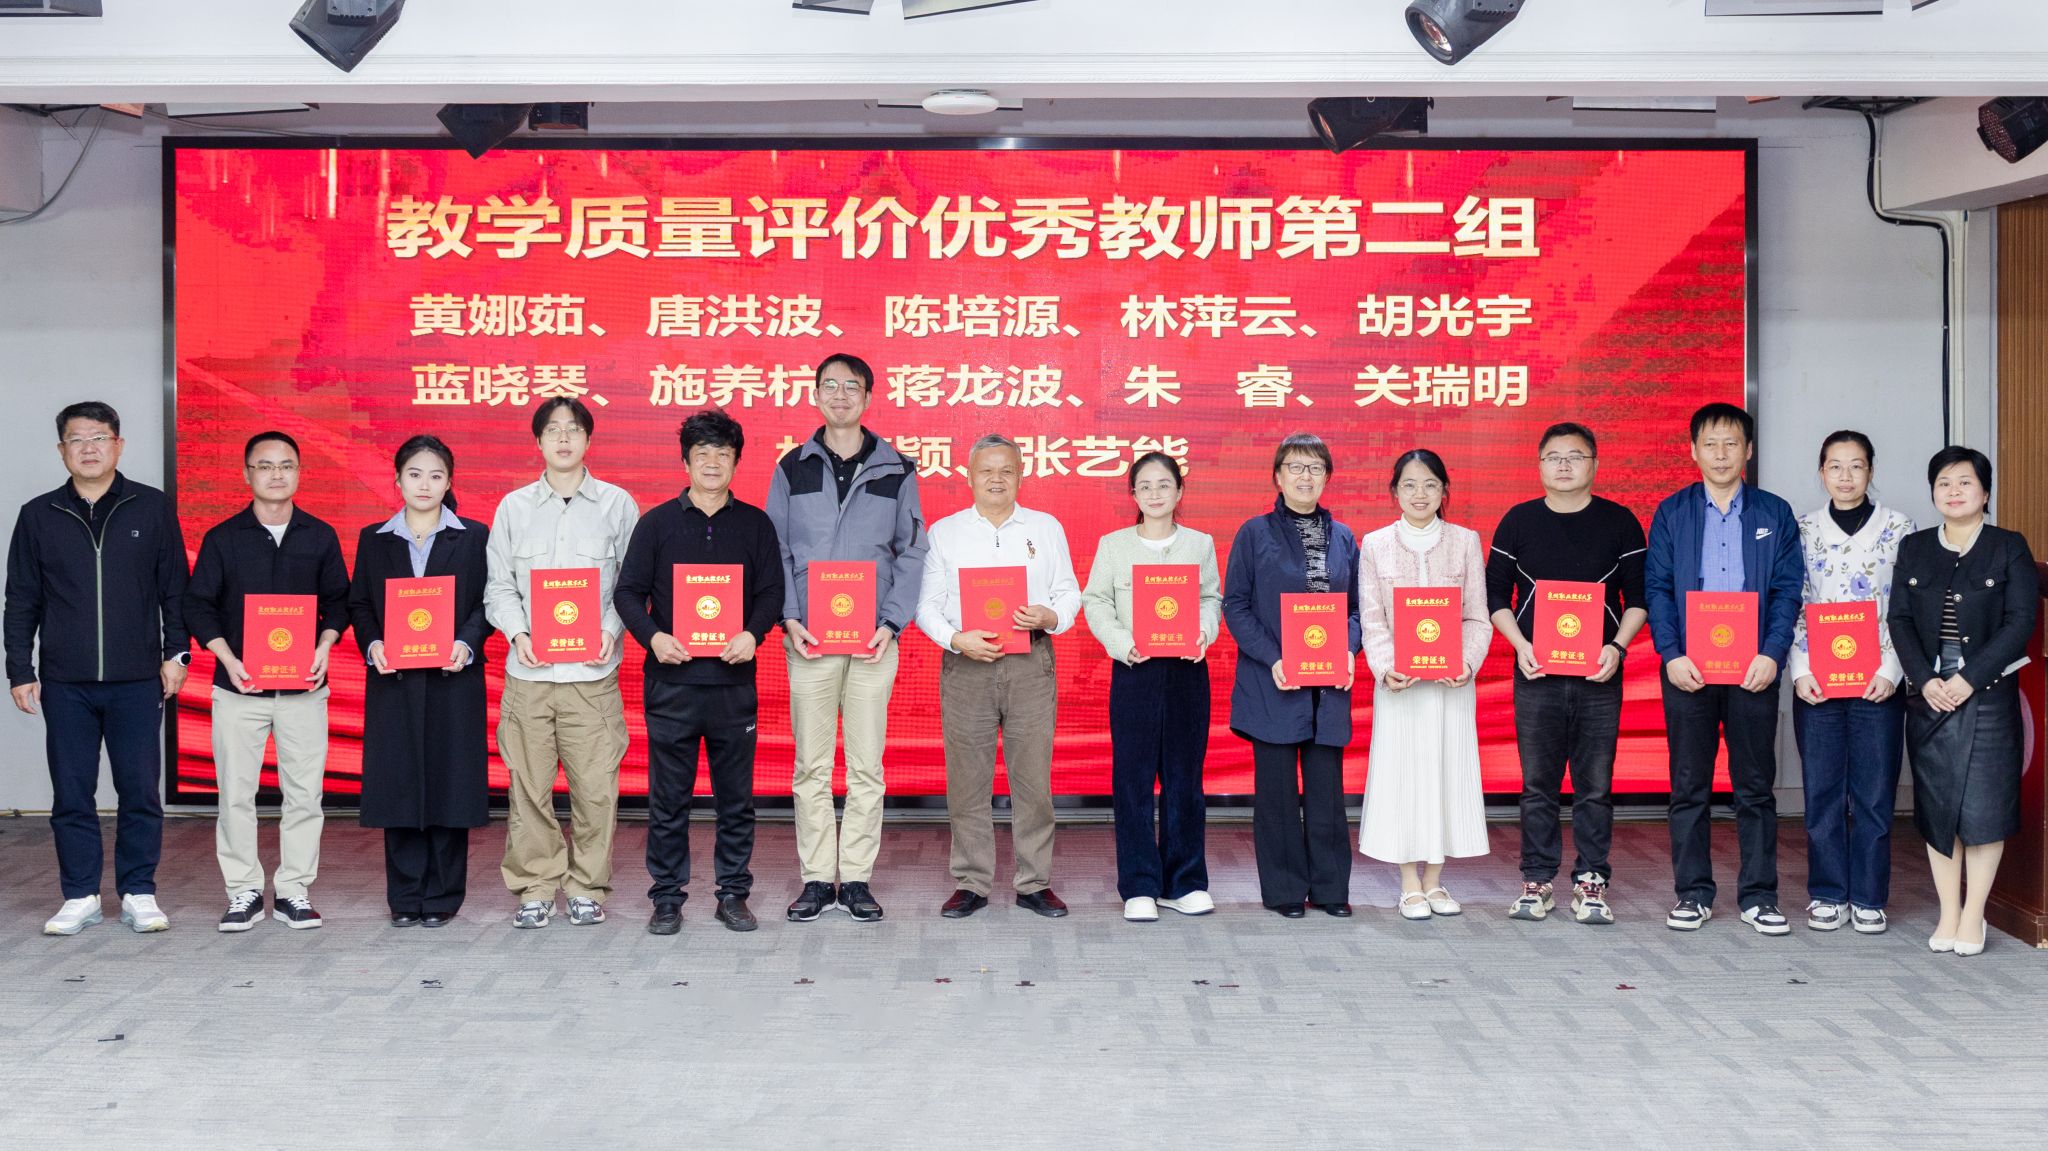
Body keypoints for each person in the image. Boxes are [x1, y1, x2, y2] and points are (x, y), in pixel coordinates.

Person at [6, 401, 190, 936]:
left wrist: (177, 654)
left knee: (139, 791)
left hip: (138, 679)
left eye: (99, 437)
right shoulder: (38, 514)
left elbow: (174, 589)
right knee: (71, 793)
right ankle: (80, 895)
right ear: (61, 450)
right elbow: (21, 599)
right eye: (77, 439)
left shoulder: (151, 507)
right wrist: (20, 669)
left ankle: (139, 891)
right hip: (66, 682)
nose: (89, 448)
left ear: (119, 445)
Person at [766, 354, 927, 924]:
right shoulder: (792, 468)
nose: (840, 395)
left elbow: (912, 552)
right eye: (829, 386)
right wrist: (789, 618)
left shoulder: (896, 469)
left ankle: (856, 878)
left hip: (872, 643)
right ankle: (816, 879)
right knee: (811, 767)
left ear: (867, 397)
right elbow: (775, 549)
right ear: (815, 395)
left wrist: (890, 624)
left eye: (851, 387)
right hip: (808, 640)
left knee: (866, 768)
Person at [616, 408, 784, 936]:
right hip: (672, 685)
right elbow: (627, 593)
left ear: (736, 462)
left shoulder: (755, 524)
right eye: (702, 453)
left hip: (733, 685)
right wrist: (654, 637)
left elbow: (772, 594)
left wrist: (752, 634)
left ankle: (733, 894)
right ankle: (667, 898)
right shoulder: (657, 524)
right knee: (669, 801)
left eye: (723, 454)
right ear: (685, 461)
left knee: (737, 800)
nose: (712, 463)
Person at [1644, 403, 1803, 935]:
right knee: (1689, 786)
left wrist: (1772, 653)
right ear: (1693, 451)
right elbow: (1657, 589)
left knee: (1754, 786)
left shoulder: (1774, 513)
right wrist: (1671, 654)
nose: (1720, 454)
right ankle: (1692, 893)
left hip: (1753, 669)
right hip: (1688, 669)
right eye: (1710, 444)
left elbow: (1787, 590)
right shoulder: (1672, 512)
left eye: (1731, 443)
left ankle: (1760, 896)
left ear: (1748, 451)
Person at [183, 430, 350, 932]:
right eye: (265, 465)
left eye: (286, 465)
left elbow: (339, 602)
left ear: (299, 472)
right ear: (247, 474)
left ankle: (294, 889)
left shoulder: (319, 536)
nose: (276, 474)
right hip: (239, 689)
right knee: (235, 795)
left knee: (305, 795)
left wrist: (324, 644)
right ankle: (244, 890)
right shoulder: (223, 538)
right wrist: (227, 658)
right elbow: (198, 605)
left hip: (304, 691)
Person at [484, 397, 639, 930]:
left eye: (574, 429)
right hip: (529, 676)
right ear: (539, 441)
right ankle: (535, 886)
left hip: (592, 678)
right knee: (527, 788)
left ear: (588, 440)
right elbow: (498, 586)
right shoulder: (514, 508)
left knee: (596, 790)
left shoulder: (617, 505)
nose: (564, 438)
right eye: (553, 430)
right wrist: (518, 632)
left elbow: (630, 585)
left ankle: (587, 886)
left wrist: (609, 630)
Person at [914, 434, 1082, 920]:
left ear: (1020, 476)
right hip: (967, 665)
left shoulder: (1045, 527)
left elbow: (1069, 591)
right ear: (969, 477)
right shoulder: (945, 533)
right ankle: (971, 881)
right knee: (968, 781)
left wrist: (1051, 616)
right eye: (986, 470)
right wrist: (955, 638)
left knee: (1033, 779)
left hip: (1031, 663)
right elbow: (926, 606)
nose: (996, 479)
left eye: (1006, 470)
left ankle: (1035, 882)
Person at [1487, 422, 1647, 926]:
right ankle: (1536, 880)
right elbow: (1495, 596)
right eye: (1554, 457)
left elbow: (1639, 598)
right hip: (1536, 674)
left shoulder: (1620, 522)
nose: (1564, 465)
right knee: (1538, 784)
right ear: (1539, 465)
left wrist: (1617, 648)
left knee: (1595, 785)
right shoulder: (1518, 521)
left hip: (1600, 675)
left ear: (1594, 464)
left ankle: (1591, 880)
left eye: (1575, 456)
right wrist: (1520, 646)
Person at [1889, 446, 2038, 956]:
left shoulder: (2007, 547)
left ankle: (1974, 915)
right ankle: (1948, 911)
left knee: (1985, 808)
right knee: (1938, 808)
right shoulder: (1914, 548)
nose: (1954, 491)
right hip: (1930, 696)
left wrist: (1970, 678)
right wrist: (1924, 679)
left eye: (1965, 482)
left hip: (1988, 695)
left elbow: (2020, 622)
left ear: (1985, 492)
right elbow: (1899, 619)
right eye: (1944, 483)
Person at [348, 435, 491, 928]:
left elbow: (488, 601)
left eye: (435, 475)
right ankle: (406, 896)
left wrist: (467, 642)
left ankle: (444, 896)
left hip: (454, 677)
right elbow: (360, 603)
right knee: (399, 784)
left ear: (449, 482)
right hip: (395, 679)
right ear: (397, 480)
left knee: (451, 783)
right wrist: (373, 644)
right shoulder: (374, 538)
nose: (424, 484)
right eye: (414, 474)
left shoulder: (474, 537)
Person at [1222, 432, 1360, 919]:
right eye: (1295, 467)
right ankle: (1284, 892)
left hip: (1328, 686)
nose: (1306, 476)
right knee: (1277, 795)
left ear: (1327, 477)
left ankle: (1330, 889)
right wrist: (1273, 658)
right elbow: (1235, 606)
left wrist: (1348, 651)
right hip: (1272, 682)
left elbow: (1357, 609)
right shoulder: (1254, 533)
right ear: (1277, 477)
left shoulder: (1344, 537)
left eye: (1315, 468)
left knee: (1327, 793)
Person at [1081, 452, 1223, 923]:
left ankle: (1185, 882)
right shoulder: (1114, 545)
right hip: (1135, 671)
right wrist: (1122, 643)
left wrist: (1204, 631)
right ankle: (1140, 884)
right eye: (1145, 486)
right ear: (1133, 494)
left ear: (1179, 492)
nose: (1155, 493)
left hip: (1186, 672)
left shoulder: (1199, 544)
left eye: (1165, 485)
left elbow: (1211, 598)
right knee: (1134, 779)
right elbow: (1096, 601)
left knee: (1185, 780)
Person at [1787, 430, 1914, 935]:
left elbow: (1907, 608)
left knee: (1874, 794)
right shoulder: (1802, 529)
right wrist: (1800, 670)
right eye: (1835, 466)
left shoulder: (1900, 528)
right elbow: (1792, 602)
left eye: (1856, 466)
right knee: (1822, 791)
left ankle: (1868, 896)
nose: (1845, 476)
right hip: (1817, 681)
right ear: (1821, 472)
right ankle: (1827, 893)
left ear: (1871, 471)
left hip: (1878, 681)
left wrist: (1892, 670)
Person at [1358, 449, 1492, 920]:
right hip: (1401, 685)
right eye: (1410, 485)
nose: (1420, 494)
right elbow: (1372, 618)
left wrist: (1468, 663)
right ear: (1394, 491)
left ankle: (1435, 879)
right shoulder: (1375, 544)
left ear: (1444, 491)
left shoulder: (1465, 542)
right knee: (1404, 777)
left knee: (1444, 774)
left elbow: (1477, 615)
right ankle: (1409, 883)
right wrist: (1386, 667)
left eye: (1431, 484)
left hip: (1451, 685)